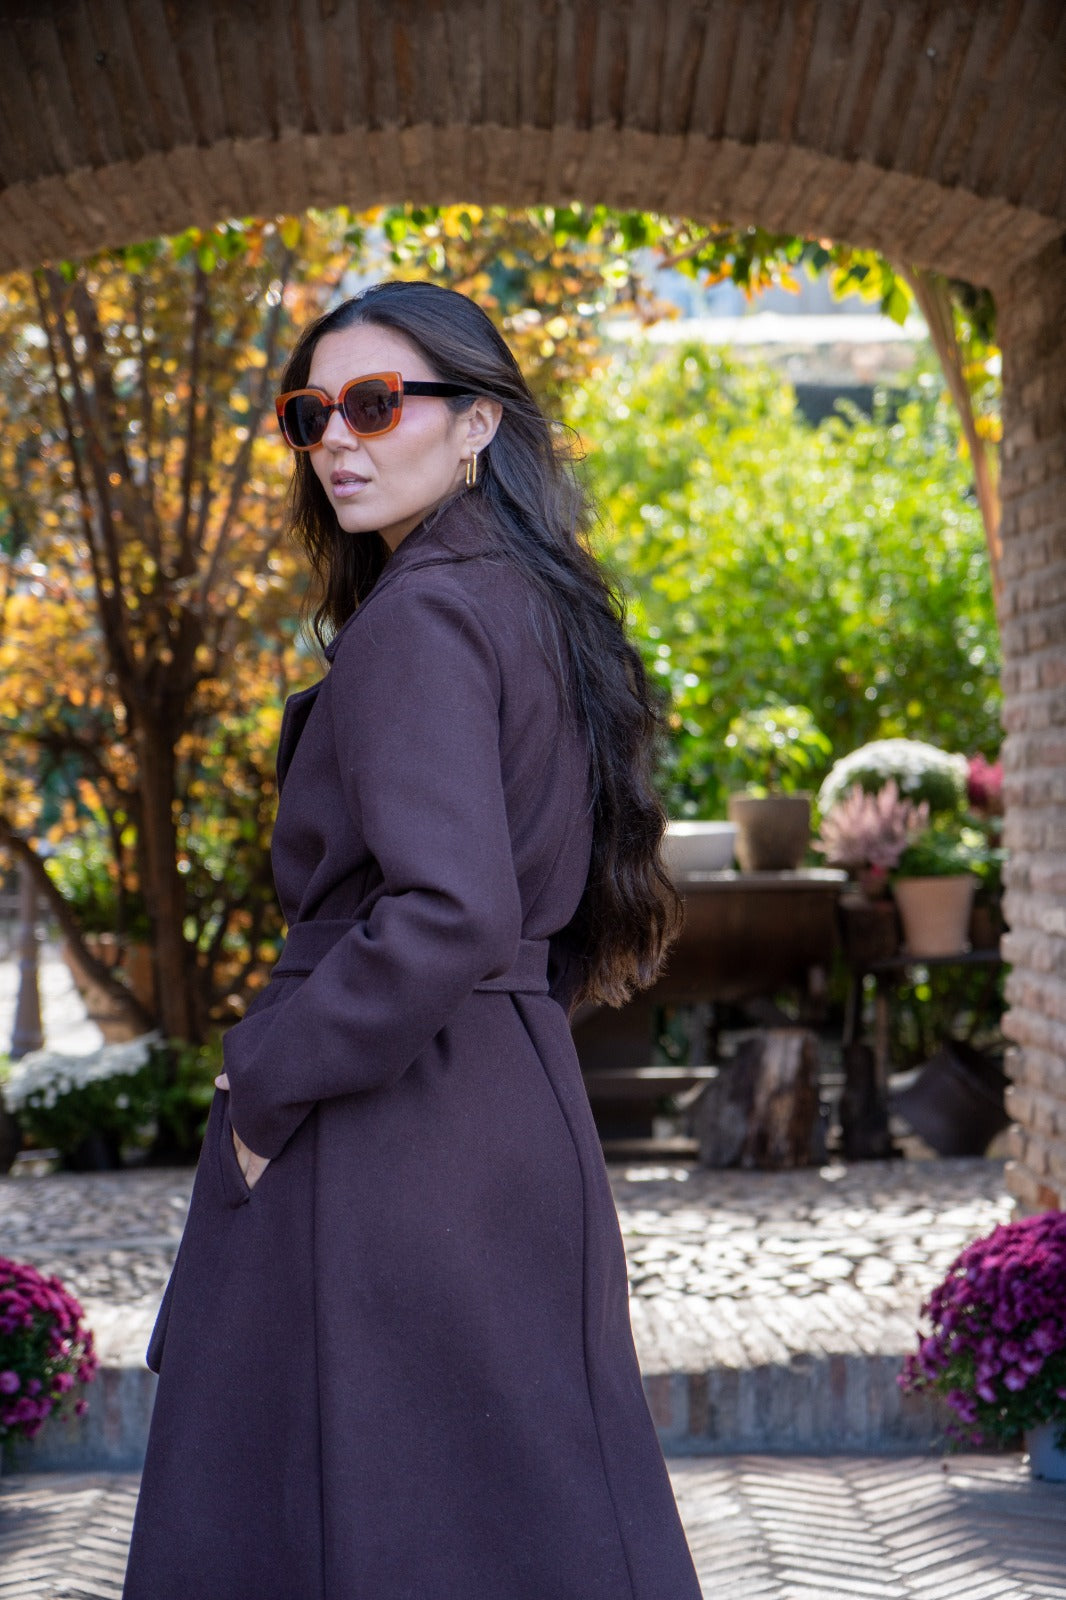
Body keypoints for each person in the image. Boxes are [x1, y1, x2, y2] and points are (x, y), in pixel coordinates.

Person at [123, 280, 702, 1600]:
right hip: (499, 1100)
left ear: (477, 423)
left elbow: (448, 908)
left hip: (381, 1120)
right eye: (311, 413)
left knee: (356, 1517)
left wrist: (266, 1083)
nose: (336, 438)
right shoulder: (527, 604)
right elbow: (530, 902)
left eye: (377, 405)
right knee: (514, 1510)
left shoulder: (422, 618)